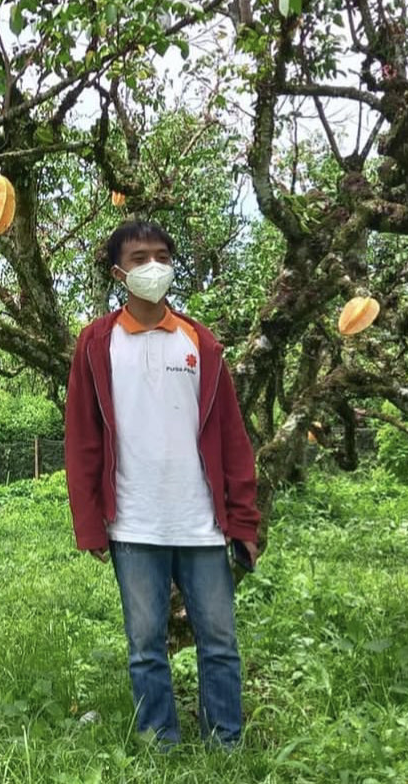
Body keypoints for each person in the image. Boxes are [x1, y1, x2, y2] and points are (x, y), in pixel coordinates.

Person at [64, 220, 260, 748]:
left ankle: (226, 740)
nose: (152, 267)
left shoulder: (201, 342)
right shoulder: (95, 344)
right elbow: (82, 438)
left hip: (200, 521)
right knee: (145, 643)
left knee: (218, 640)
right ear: (118, 272)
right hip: (133, 520)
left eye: (160, 255)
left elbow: (233, 438)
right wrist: (89, 523)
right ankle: (160, 741)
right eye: (138, 258)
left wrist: (242, 517)